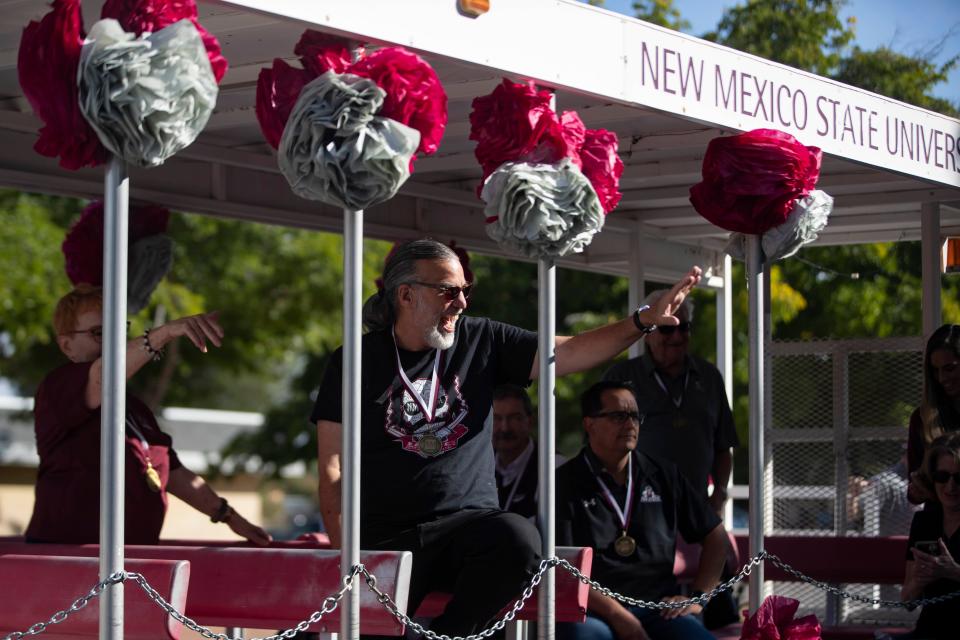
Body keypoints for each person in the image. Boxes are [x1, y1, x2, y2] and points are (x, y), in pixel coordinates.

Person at [311, 238, 702, 637]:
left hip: (468, 531)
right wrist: (347, 558)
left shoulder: (482, 339)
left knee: (518, 538)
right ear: (406, 294)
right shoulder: (354, 360)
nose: (461, 302)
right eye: (448, 291)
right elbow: (332, 467)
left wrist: (641, 321)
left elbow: (567, 353)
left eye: (466, 291)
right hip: (386, 539)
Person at [25, 284, 271, 546]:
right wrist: (162, 334)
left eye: (118, 331)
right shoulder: (58, 386)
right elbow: (103, 374)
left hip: (129, 559)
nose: (113, 342)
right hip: (67, 558)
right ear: (67, 346)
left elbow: (173, 472)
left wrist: (230, 517)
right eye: (100, 333)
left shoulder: (136, 408)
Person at [556, 381, 729, 640]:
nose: (630, 424)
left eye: (635, 416)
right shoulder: (564, 481)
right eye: (618, 416)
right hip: (593, 612)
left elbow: (715, 535)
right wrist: (620, 617)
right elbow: (565, 568)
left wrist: (697, 599)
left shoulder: (663, 474)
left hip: (657, 609)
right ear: (589, 424)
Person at [602, 291, 738, 514]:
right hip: (636, 511)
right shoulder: (620, 377)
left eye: (683, 327)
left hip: (696, 509)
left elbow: (724, 445)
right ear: (647, 332)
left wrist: (720, 492)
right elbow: (600, 445)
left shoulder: (709, 376)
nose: (676, 337)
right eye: (667, 328)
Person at [901, 433, 960, 640]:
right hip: (929, 630)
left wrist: (954, 572)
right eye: (942, 477)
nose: (951, 486)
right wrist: (919, 581)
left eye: (959, 478)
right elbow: (908, 601)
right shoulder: (925, 523)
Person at [492, 384, 565, 519]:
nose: (504, 428)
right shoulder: (478, 465)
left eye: (514, 418)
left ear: (529, 421)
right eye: (496, 418)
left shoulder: (553, 466)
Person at [908, 325, 960, 504]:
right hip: (939, 522)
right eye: (934, 370)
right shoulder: (922, 418)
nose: (942, 378)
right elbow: (913, 490)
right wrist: (917, 489)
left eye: (949, 368)